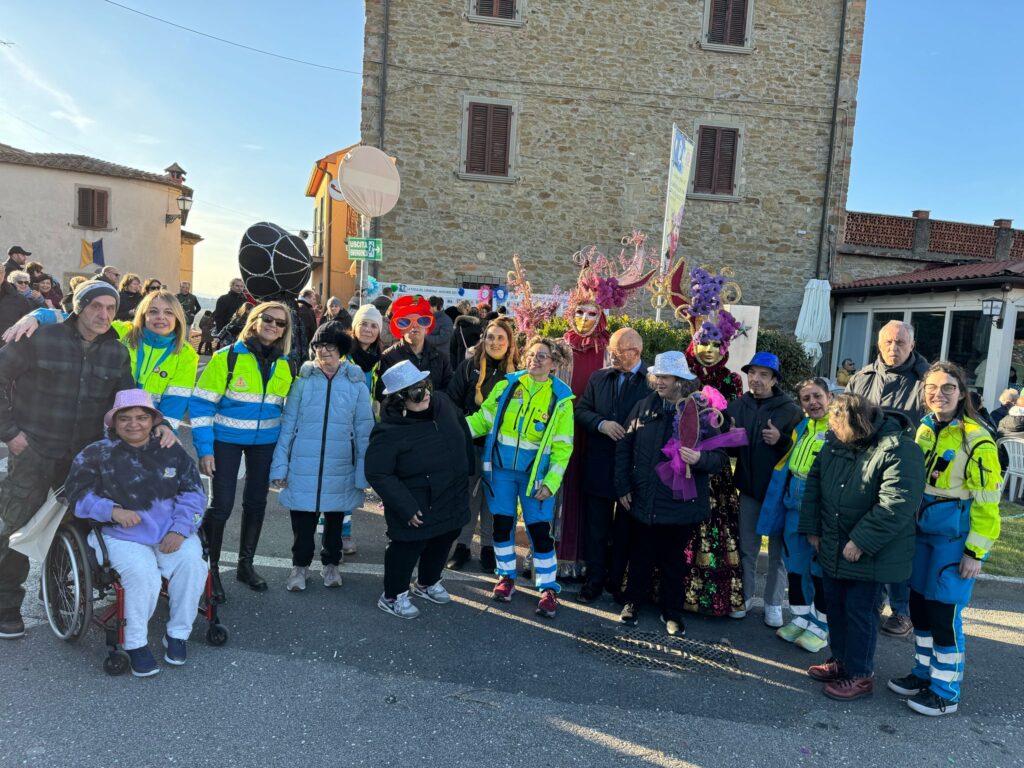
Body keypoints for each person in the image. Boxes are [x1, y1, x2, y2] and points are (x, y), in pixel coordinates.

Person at [0, 281, 176, 639]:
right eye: (96, 306)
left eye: (111, 308)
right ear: (78, 308)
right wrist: (10, 433)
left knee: (77, 524)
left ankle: (59, 590)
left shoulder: (116, 352)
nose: (104, 315)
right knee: (17, 526)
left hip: (82, 456)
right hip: (34, 449)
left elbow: (128, 398)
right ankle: (6, 605)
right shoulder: (40, 338)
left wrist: (160, 424)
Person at [64, 389, 207, 676]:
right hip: (120, 534)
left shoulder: (172, 450)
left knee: (194, 565)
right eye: (125, 418)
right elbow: (76, 495)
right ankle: (135, 643)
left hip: (169, 531)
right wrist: (112, 510)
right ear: (114, 422)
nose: (134, 424)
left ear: (153, 420)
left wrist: (180, 529)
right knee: (144, 576)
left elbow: (194, 494)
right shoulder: (96, 453)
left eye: (142, 417)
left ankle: (178, 634)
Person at [887, 362, 1001, 717]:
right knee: (919, 608)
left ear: (962, 393)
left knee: (944, 613)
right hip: (921, 534)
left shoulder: (977, 439)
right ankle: (923, 673)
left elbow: (988, 505)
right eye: (932, 387)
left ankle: (946, 691)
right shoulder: (923, 428)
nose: (939, 394)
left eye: (948, 387)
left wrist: (975, 552)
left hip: (953, 539)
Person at [800, 393, 924, 701]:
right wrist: (812, 528)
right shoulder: (835, 443)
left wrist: (862, 541)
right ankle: (841, 661)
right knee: (837, 607)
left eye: (837, 422)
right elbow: (814, 484)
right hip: (834, 542)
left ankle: (860, 674)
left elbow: (896, 503)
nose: (831, 427)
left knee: (860, 612)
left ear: (859, 423)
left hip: (868, 551)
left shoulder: (900, 449)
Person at [614, 351, 729, 636]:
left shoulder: (699, 411)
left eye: (665, 377)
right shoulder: (643, 407)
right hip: (644, 497)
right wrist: (623, 486)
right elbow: (625, 448)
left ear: (679, 380)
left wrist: (698, 460)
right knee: (640, 555)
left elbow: (720, 458)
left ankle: (672, 612)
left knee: (673, 562)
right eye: (657, 376)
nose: (658, 382)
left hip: (680, 503)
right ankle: (633, 603)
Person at [190, 301, 295, 601]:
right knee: (221, 505)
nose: (273, 325)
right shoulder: (228, 357)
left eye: (280, 323)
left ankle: (244, 566)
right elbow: (201, 404)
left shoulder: (285, 363)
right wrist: (205, 449)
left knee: (256, 504)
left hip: (265, 444)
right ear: (254, 320)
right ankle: (209, 571)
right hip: (226, 441)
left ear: (284, 330)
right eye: (268, 319)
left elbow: (287, 409)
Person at [466, 336, 575, 618]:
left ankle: (548, 588)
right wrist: (456, 430)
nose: (535, 360)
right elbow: (484, 419)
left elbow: (563, 447)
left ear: (553, 364)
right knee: (502, 525)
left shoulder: (561, 398)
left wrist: (551, 483)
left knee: (539, 531)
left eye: (542, 357)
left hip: (535, 479)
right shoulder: (507, 385)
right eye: (532, 354)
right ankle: (506, 577)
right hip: (501, 472)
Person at [270, 323, 373, 592]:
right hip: (303, 463)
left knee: (336, 521)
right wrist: (280, 466)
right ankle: (300, 566)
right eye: (318, 346)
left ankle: (331, 564)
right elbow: (287, 424)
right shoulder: (302, 382)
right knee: (302, 523)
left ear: (341, 349)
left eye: (330, 346)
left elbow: (365, 431)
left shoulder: (357, 384)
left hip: (341, 464)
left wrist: (363, 472)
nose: (323, 352)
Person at [366, 361, 473, 619]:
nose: (425, 394)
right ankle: (393, 596)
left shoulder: (444, 404)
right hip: (416, 501)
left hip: (452, 493)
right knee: (407, 547)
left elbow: (464, 434)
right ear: (399, 399)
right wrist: (404, 505)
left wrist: (468, 473)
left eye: (426, 386)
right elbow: (378, 472)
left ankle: (427, 582)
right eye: (415, 392)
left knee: (445, 537)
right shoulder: (388, 432)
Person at [6, 289, 199, 432]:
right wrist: (36, 316)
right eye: (153, 311)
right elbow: (72, 319)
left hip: (146, 429)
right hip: (107, 424)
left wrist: (162, 431)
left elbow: (175, 404)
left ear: (178, 317)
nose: (161, 318)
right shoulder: (121, 331)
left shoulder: (186, 355)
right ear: (143, 315)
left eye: (168, 312)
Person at [846, 320, 929, 639]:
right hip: (865, 467)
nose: (894, 349)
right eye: (888, 343)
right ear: (878, 345)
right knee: (868, 532)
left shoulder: (925, 381)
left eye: (901, 343)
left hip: (904, 470)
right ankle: (872, 602)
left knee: (898, 541)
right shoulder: (861, 378)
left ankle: (901, 611)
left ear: (912, 345)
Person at [574, 328, 651, 603]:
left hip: (633, 469)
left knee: (626, 529)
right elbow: (581, 411)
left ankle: (618, 581)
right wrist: (601, 424)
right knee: (596, 527)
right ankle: (593, 579)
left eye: (619, 351)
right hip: (600, 463)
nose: (612, 356)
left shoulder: (651, 382)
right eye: (611, 350)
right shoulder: (599, 378)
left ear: (636, 353)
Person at [726, 351, 802, 627]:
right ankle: (745, 597)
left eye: (763, 375)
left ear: (774, 380)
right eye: (752, 373)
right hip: (748, 489)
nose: (755, 379)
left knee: (778, 555)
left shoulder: (790, 410)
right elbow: (729, 448)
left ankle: (772, 603)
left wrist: (780, 440)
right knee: (747, 548)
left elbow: (801, 450)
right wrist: (729, 437)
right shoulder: (737, 406)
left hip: (779, 492)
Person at [758, 378, 834, 652]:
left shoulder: (839, 431)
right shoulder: (801, 427)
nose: (812, 402)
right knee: (796, 567)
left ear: (829, 397)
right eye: (806, 398)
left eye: (817, 396)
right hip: (793, 506)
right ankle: (801, 619)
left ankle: (820, 626)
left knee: (819, 570)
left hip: (820, 510)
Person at [445, 316, 521, 572]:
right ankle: (463, 546)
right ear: (483, 340)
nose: (495, 342)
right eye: (490, 337)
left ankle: (489, 548)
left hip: (504, 448)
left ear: (510, 342)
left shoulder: (520, 373)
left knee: (493, 497)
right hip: (472, 443)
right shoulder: (469, 367)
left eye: (501, 337)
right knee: (469, 495)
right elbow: (452, 402)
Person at [377, 295, 452, 398]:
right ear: (401, 330)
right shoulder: (388, 357)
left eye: (421, 321)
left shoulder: (441, 358)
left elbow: (449, 390)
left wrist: (429, 401)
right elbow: (383, 394)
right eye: (406, 322)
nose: (414, 326)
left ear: (426, 328)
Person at [0, 265, 33, 343]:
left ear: (4, 273)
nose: (23, 284)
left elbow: (27, 326)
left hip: (8, 349)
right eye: (20, 282)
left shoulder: (20, 299)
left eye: (0, 271)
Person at [450, 304, 482, 369]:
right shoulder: (479, 329)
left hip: (460, 363)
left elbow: (452, 349)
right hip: (476, 363)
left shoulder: (458, 328)